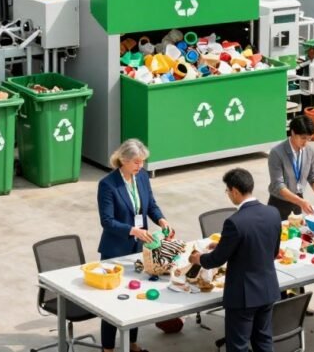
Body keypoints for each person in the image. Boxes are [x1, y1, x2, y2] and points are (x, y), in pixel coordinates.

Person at [190, 168, 281, 352]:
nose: (228, 195)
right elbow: (271, 250)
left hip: (243, 296)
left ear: (235, 191)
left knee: (238, 346)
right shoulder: (273, 213)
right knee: (263, 341)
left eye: (228, 191)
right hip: (268, 289)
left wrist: (199, 259)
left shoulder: (235, 221)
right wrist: (224, 245)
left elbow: (216, 260)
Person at [97, 139, 174, 352]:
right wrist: (132, 230)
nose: (140, 166)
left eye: (142, 162)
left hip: (139, 247)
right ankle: (108, 347)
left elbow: (151, 205)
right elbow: (107, 221)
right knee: (112, 300)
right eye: (136, 162)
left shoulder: (142, 177)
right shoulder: (107, 184)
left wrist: (161, 220)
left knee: (135, 294)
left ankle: (131, 343)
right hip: (115, 250)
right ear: (123, 160)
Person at [267, 115, 314, 220]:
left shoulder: (309, 151)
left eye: (309, 138)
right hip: (279, 203)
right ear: (293, 132)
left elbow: (313, 177)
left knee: (297, 229)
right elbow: (278, 185)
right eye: (303, 138)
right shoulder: (277, 153)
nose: (306, 142)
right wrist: (301, 202)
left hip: (298, 201)